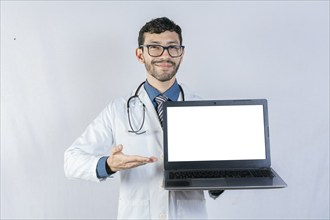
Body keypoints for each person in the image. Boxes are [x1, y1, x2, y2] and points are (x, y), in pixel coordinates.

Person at [64, 17, 223, 219]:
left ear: (181, 54)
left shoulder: (203, 110)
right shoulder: (118, 110)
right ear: (140, 54)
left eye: (172, 47)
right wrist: (108, 165)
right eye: (155, 47)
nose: (165, 55)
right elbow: (71, 161)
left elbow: (216, 178)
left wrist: (221, 177)